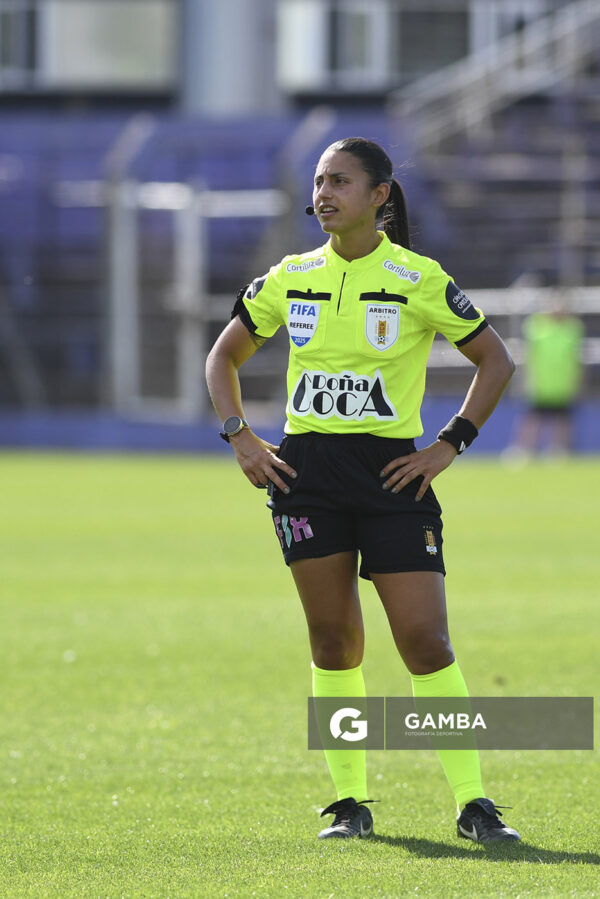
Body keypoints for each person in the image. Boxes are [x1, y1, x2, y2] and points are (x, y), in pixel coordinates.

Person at [206, 137, 520, 843]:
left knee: (426, 640)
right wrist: (241, 435)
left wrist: (449, 443)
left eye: (340, 181)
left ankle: (474, 802)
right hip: (307, 476)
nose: (324, 193)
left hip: (391, 474)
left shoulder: (417, 277)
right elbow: (222, 355)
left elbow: (494, 359)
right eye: (318, 181)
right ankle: (350, 802)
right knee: (334, 640)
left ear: (379, 195)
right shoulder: (289, 277)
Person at [507, 304, 583, 458]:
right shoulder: (538, 328)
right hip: (541, 384)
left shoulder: (571, 331)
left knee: (562, 420)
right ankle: (524, 450)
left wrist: (576, 383)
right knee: (532, 419)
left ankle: (559, 451)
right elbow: (530, 333)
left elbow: (576, 359)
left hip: (563, 385)